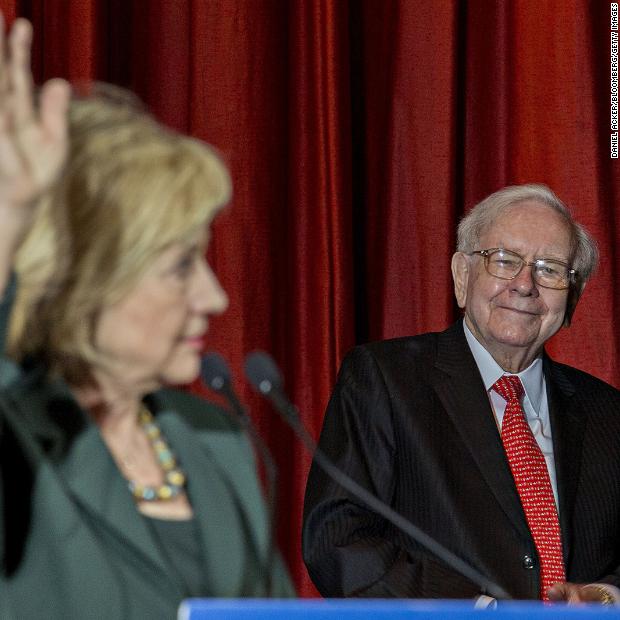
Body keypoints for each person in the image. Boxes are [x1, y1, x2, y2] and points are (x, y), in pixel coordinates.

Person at [0, 14, 293, 619]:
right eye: (180, 267)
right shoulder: (16, 438)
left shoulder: (216, 439)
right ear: (84, 280)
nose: (215, 297)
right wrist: (9, 223)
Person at [303, 183, 620, 604]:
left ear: (573, 296)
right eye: (504, 260)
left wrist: (606, 596)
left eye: (550, 269)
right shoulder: (386, 380)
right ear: (462, 275)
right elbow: (337, 540)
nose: (525, 284)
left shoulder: (609, 414)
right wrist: (479, 611)